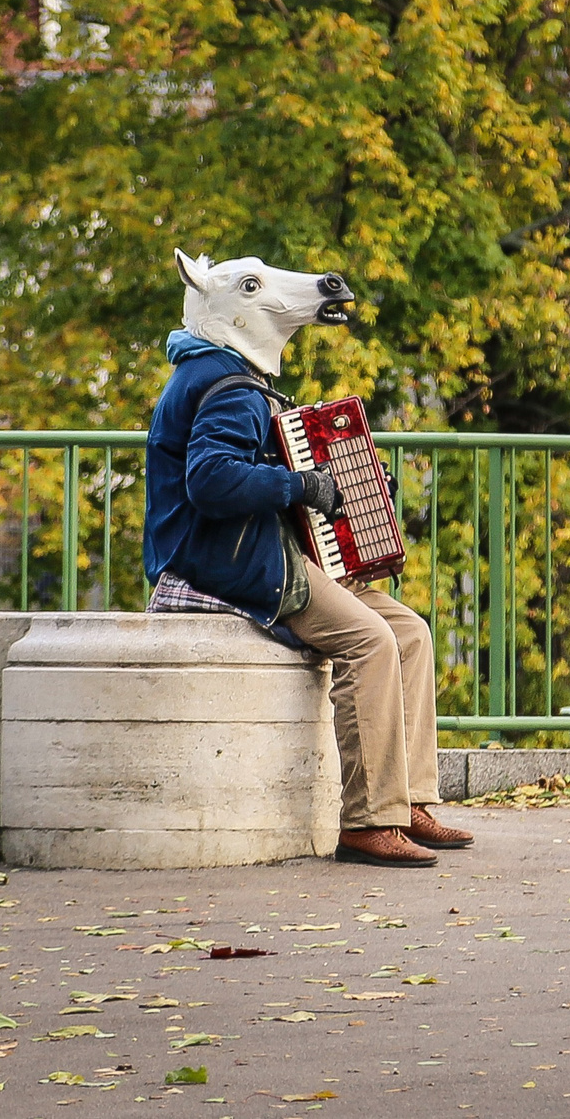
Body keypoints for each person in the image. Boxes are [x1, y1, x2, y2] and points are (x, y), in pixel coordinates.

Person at [144, 248, 474, 865]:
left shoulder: (225, 376)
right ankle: (367, 821)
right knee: (370, 641)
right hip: (230, 562)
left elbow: (257, 469)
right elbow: (211, 481)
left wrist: (343, 484)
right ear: (231, 312)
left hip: (258, 551)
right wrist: (302, 486)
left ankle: (406, 800)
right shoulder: (226, 385)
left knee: (411, 633)